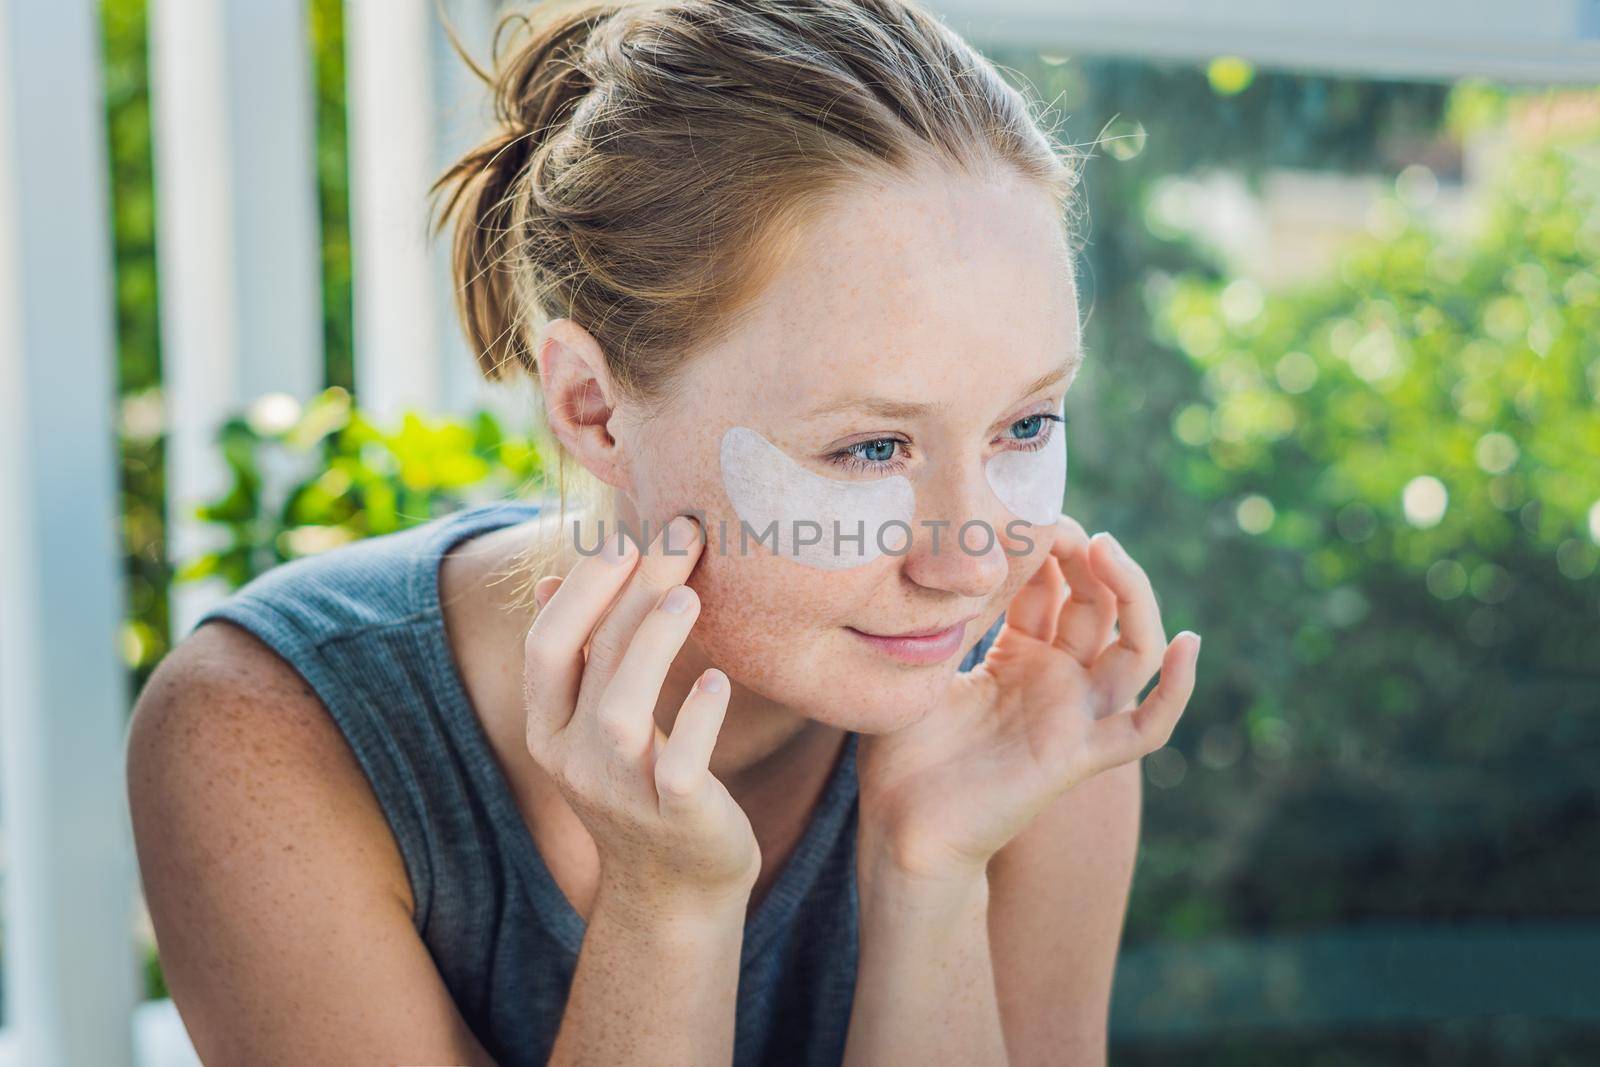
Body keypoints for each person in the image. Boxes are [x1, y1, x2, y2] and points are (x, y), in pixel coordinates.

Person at [125, 1, 1201, 1064]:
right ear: (592, 407)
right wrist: (663, 907)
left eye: (1024, 422)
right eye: (870, 449)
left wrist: (930, 874)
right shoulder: (266, 735)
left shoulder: (1027, 711)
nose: (969, 560)